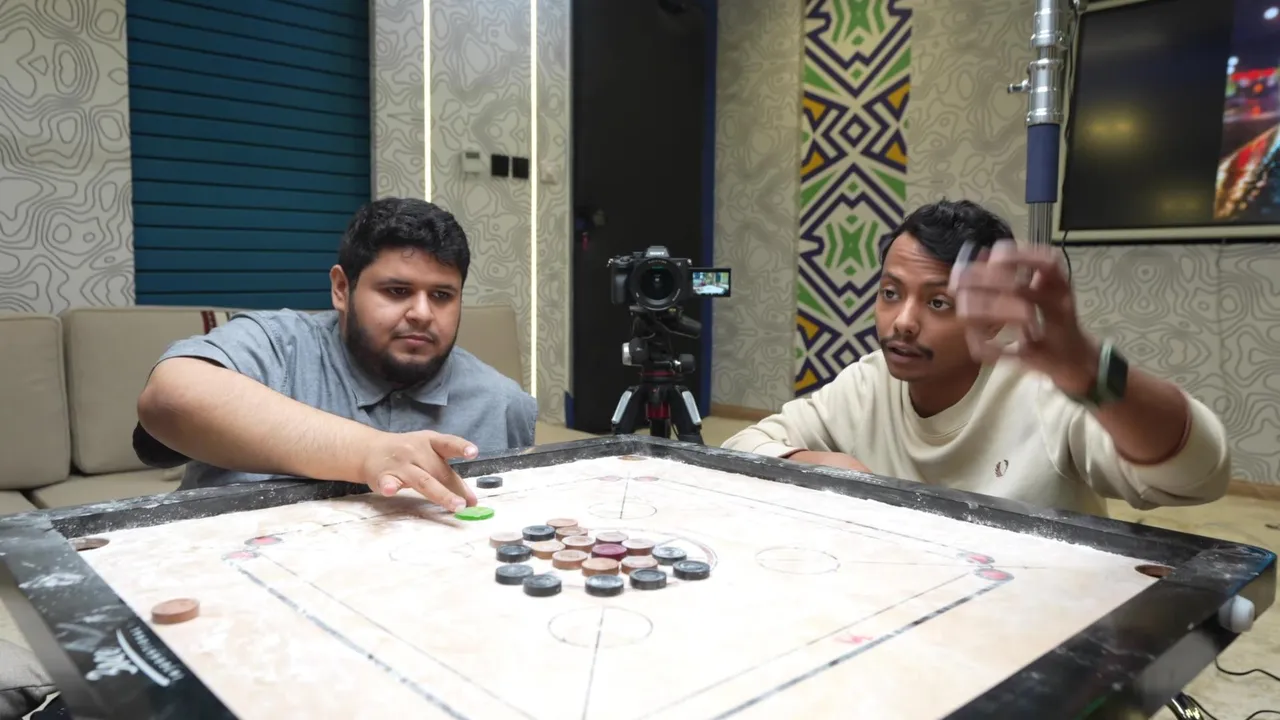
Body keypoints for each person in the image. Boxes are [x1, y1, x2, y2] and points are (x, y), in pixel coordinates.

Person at [723, 200, 1230, 515]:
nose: (902, 322)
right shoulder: (868, 383)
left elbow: (1198, 475)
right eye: (891, 293)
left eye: (938, 302)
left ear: (991, 317)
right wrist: (821, 463)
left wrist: (1093, 371)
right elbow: (740, 447)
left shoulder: (1043, 395)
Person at [135, 197, 537, 512]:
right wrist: (370, 453)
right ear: (342, 289)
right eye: (397, 291)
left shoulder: (503, 405)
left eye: (442, 295)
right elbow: (170, 398)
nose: (422, 313)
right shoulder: (278, 347)